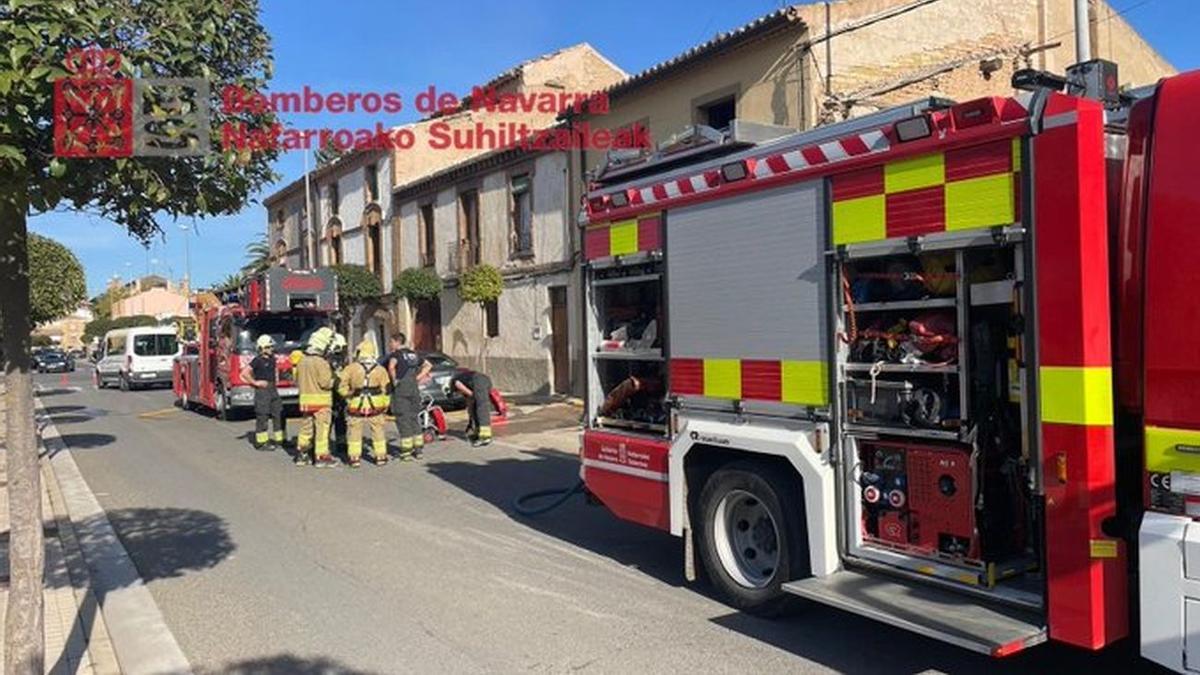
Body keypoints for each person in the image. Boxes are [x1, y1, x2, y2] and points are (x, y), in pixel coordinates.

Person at [338, 338, 391, 467]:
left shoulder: (351, 368)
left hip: (356, 403)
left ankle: (354, 458)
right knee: (378, 431)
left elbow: (341, 386)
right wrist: (385, 405)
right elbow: (387, 389)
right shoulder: (380, 369)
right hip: (376, 403)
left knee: (354, 431)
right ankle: (381, 457)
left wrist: (348, 397)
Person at [294, 326, 338, 468]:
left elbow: (297, 380)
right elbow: (325, 383)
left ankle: (302, 454)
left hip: (305, 402)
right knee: (322, 430)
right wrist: (336, 379)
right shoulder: (321, 362)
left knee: (306, 429)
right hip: (321, 403)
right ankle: (321, 457)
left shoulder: (301, 361)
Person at [387, 333, 431, 460]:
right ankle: (418, 450)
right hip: (414, 389)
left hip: (402, 390)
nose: (390, 345)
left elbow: (391, 367)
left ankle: (406, 452)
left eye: (391, 342)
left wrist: (394, 380)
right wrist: (418, 377)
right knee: (414, 418)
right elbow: (428, 365)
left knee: (403, 419)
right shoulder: (414, 354)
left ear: (396, 342)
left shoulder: (396, 355)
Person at [240, 334, 285, 451]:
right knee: (262, 415)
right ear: (262, 348)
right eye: (269, 347)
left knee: (278, 413)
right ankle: (261, 442)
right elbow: (244, 374)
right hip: (262, 391)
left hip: (273, 389)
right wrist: (255, 383)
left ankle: (279, 440)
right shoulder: (257, 360)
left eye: (271, 347)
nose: (271, 349)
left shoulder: (272, 359)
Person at [449, 368, 495, 447]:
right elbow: (470, 401)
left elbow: (465, 390)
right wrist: (470, 411)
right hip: (485, 380)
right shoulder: (464, 379)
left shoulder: (454, 382)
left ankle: (485, 437)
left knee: (481, 407)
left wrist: (472, 397)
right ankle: (478, 433)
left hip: (478, 380)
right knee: (475, 408)